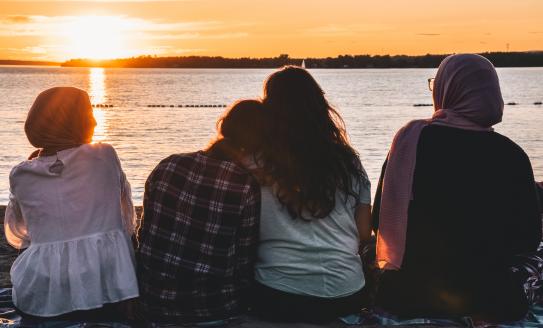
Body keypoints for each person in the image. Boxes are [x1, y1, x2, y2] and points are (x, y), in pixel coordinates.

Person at [372, 54, 542, 322]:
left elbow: (377, 220)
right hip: (487, 297)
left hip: (407, 295)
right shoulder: (511, 155)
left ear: (446, 89)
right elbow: (528, 240)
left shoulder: (409, 143)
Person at [250, 66, 372, 323]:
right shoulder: (349, 162)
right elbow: (363, 233)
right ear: (320, 105)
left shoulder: (255, 162)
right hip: (346, 292)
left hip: (279, 294)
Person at [4, 87, 139, 319]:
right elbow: (125, 218)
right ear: (76, 123)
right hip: (108, 286)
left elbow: (20, 232)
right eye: (88, 115)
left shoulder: (21, 174)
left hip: (44, 290)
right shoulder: (103, 156)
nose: (95, 122)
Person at [136, 100, 263, 325]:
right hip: (212, 308)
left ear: (224, 126)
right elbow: (244, 259)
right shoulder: (245, 185)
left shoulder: (168, 165)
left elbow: (144, 233)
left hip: (153, 301)